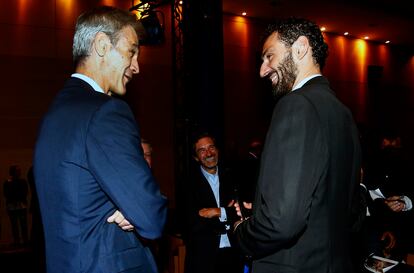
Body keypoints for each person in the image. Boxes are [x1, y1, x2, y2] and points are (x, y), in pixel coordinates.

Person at [33, 6, 167, 273]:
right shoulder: (106, 112)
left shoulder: (54, 113)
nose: (137, 67)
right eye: (131, 52)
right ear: (103, 45)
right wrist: (135, 207)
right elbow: (151, 217)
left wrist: (128, 205)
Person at [233, 18, 362, 273]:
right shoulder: (343, 113)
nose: (263, 70)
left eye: (269, 56)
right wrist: (262, 207)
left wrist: (242, 231)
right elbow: (348, 211)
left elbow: (282, 223)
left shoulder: (296, 105)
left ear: (300, 47)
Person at [182, 132, 243, 273]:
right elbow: (192, 223)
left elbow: (245, 212)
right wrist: (228, 215)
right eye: (202, 150)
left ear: (217, 150)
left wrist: (218, 212)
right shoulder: (187, 184)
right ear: (196, 157)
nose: (209, 153)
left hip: (234, 255)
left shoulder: (234, 177)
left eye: (211, 147)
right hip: (203, 259)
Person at [3, 165, 29, 246]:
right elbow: (6, 193)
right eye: (17, 171)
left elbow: (25, 192)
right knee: (14, 225)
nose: (19, 172)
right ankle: (17, 241)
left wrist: (15, 196)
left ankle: (25, 240)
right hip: (12, 206)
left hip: (21, 205)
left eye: (19, 170)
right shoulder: (7, 182)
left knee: (23, 224)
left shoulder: (22, 181)